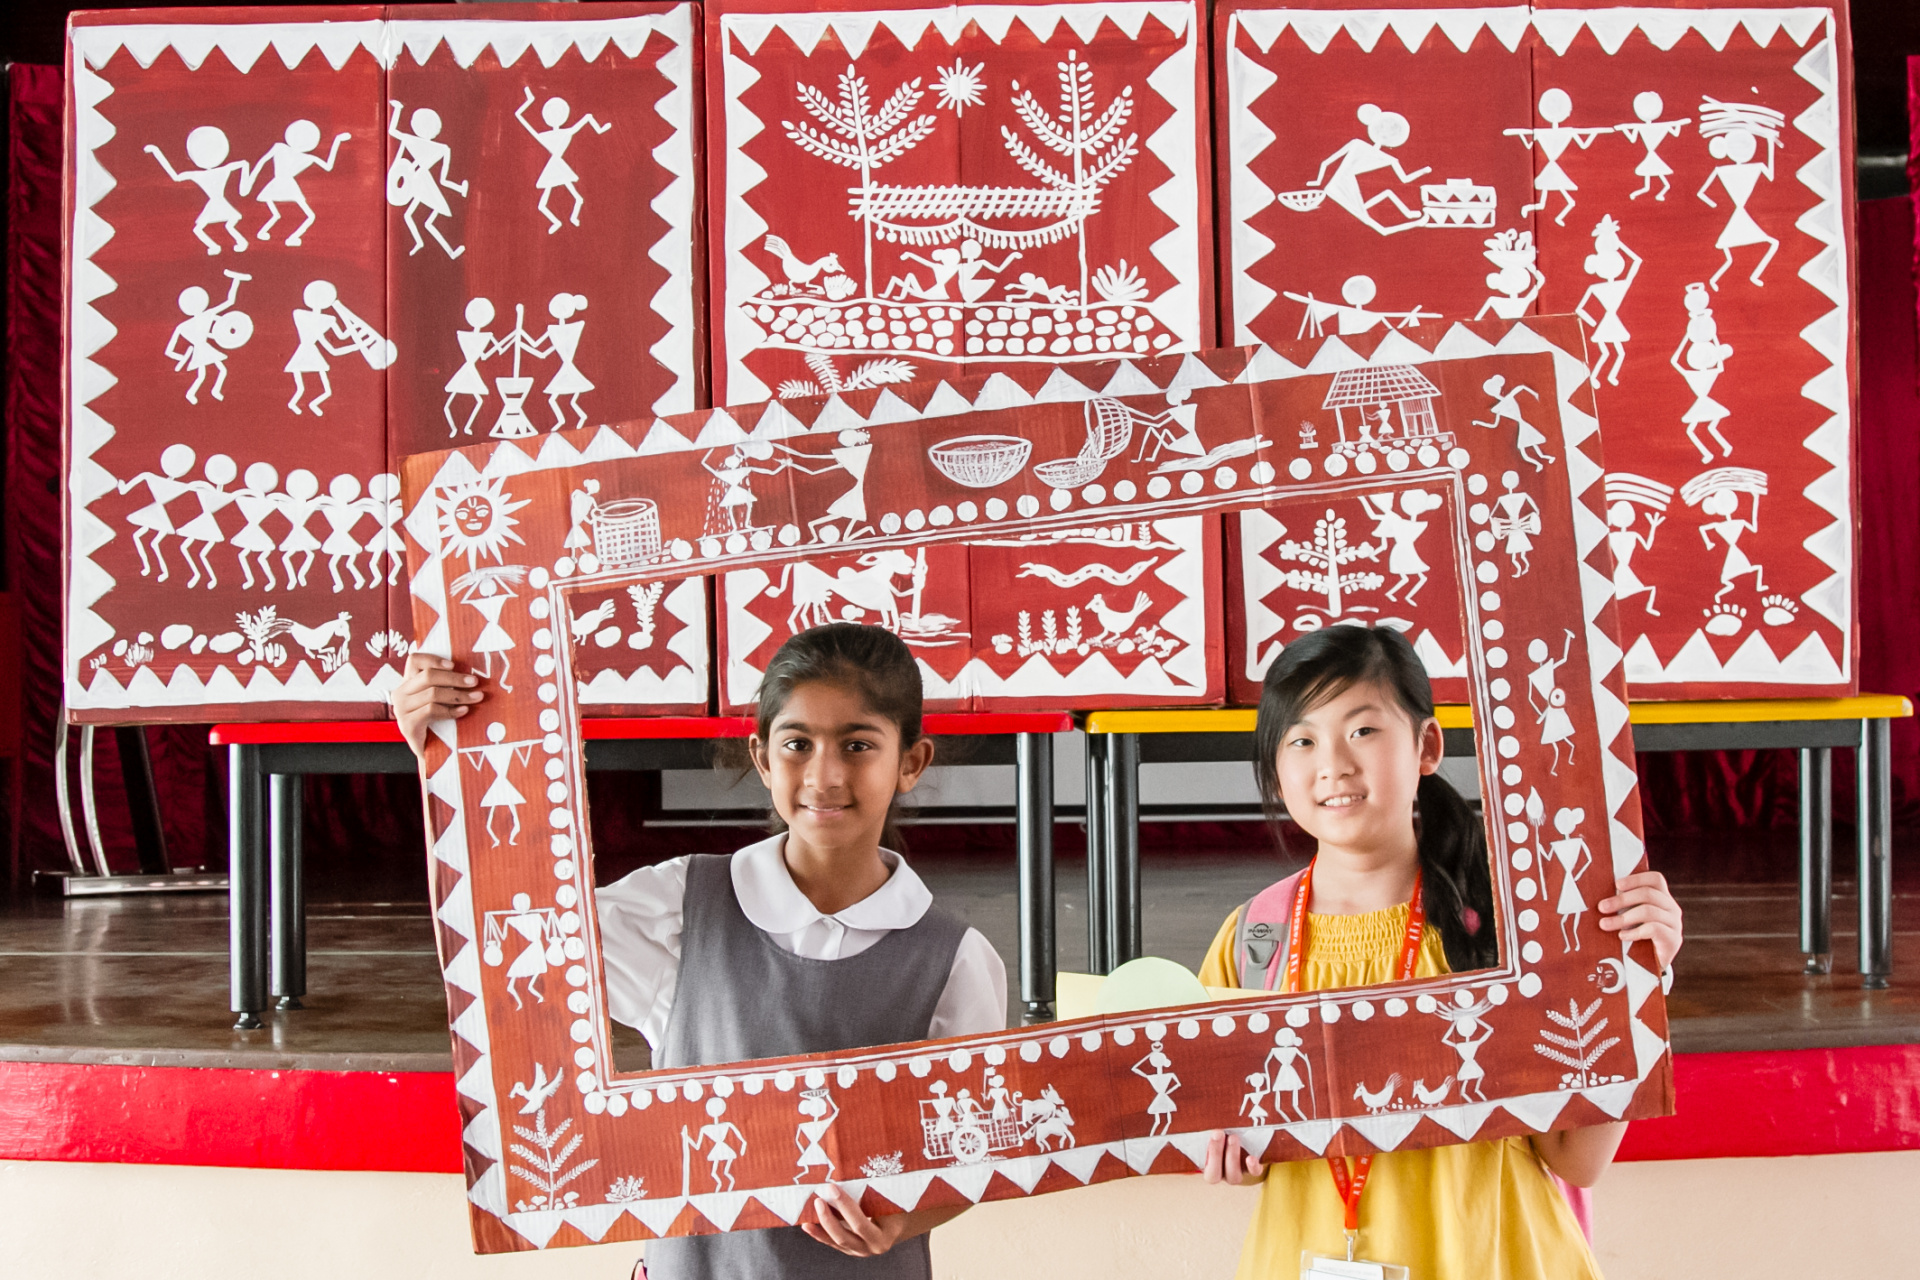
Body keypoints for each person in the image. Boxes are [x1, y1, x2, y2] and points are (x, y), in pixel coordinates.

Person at [392, 622, 1007, 1278]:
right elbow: (513, 924)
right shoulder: (679, 908)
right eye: (797, 743)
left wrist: (904, 1219)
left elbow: (978, 1151)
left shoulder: (955, 959)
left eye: (858, 745)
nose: (824, 775)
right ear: (763, 758)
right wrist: (446, 757)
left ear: (911, 762)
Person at [1194, 624, 1684, 1279]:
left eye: (1363, 730)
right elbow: (1228, 1132)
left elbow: (1577, 1159)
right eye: (1301, 739)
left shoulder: (1514, 929)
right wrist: (1232, 1154)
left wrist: (1636, 979)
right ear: (1276, 771)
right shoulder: (1254, 940)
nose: (1333, 763)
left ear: (1426, 745)